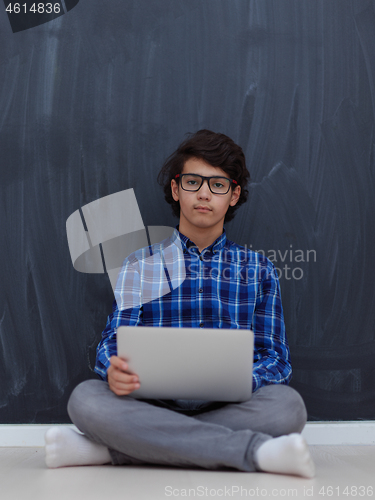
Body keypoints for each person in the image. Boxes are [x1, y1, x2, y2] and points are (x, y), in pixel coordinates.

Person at [45, 130, 315, 477]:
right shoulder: (138, 265)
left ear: (233, 196)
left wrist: (242, 381)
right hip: (148, 403)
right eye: (193, 182)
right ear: (176, 189)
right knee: (85, 399)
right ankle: (253, 452)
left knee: (288, 407)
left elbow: (277, 360)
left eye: (218, 185)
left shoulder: (259, 270)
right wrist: (112, 370)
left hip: (228, 406)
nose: (204, 193)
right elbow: (113, 340)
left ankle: (115, 451)